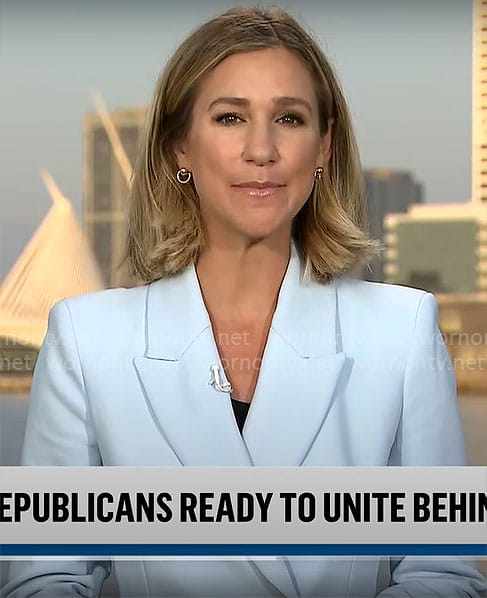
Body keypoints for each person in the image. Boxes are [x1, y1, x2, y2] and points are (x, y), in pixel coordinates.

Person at [4, 5, 486, 598]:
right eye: (230, 117)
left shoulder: (404, 331)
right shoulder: (84, 339)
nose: (262, 149)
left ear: (323, 147)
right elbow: (43, 578)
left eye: (289, 117)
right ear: (180, 146)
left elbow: (446, 576)